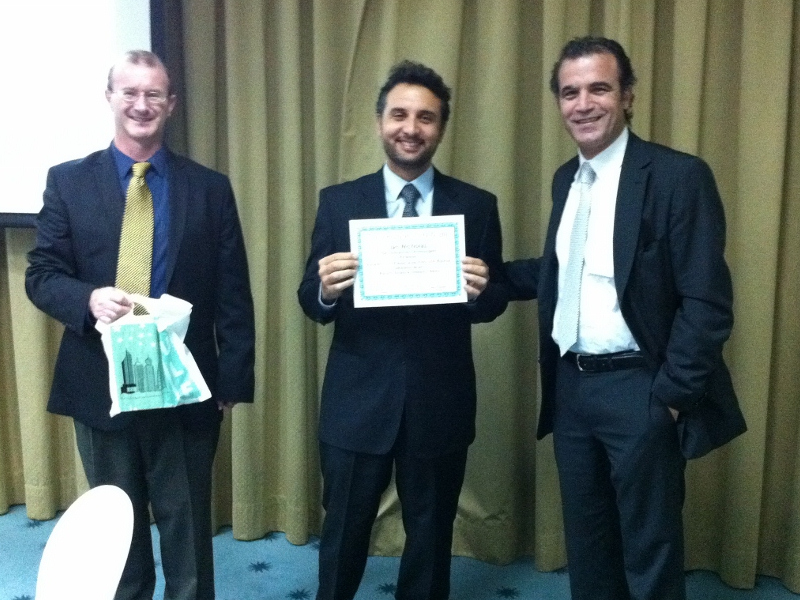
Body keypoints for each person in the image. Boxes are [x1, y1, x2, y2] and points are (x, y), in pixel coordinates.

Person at [504, 37, 746, 600]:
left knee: (650, 550)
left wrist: (669, 399)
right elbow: (565, 268)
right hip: (570, 389)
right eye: (570, 92)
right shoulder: (566, 178)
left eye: (599, 88)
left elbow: (707, 302)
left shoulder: (678, 176)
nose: (583, 104)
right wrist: (480, 274)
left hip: (641, 390)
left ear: (628, 96)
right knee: (587, 545)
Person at [26, 50, 255, 600]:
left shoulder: (210, 188)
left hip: (185, 387)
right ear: (109, 98)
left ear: (171, 104)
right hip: (99, 384)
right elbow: (42, 274)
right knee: (116, 532)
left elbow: (233, 290)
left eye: (154, 94)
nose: (141, 104)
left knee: (188, 532)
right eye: (129, 92)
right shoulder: (68, 182)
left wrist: (233, 377)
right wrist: (87, 298)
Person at [297, 60, 508, 600]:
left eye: (425, 118)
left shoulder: (476, 206)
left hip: (439, 401)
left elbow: (492, 304)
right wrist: (326, 289)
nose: (410, 128)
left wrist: (483, 292)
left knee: (431, 538)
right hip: (356, 401)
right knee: (343, 532)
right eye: (399, 115)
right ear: (379, 122)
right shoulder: (339, 202)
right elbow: (310, 299)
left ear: (441, 128)